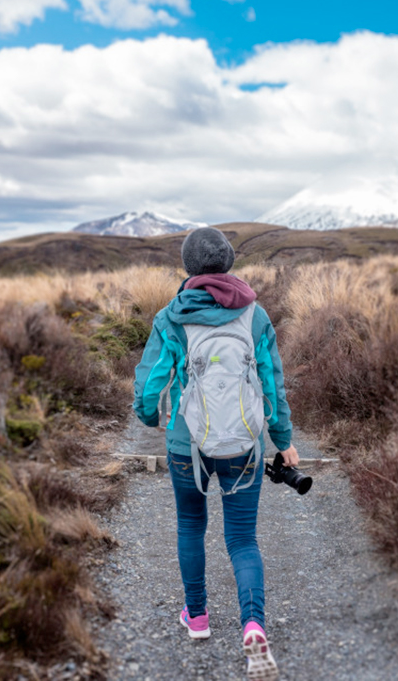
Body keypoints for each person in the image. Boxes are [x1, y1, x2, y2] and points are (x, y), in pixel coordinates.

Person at [133, 227, 296, 681]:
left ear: (189, 267)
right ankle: (252, 625)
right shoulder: (256, 315)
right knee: (242, 539)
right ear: (227, 262)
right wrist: (283, 440)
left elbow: (150, 386)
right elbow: (272, 385)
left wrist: (151, 419)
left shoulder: (170, 317)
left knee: (191, 525)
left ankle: (198, 618)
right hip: (244, 443)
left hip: (188, 444)